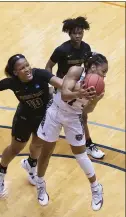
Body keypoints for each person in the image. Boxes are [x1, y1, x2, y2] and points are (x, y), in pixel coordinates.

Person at [0, 54, 62, 196]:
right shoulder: (12, 82)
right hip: (24, 119)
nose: (27, 69)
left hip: (43, 118)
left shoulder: (40, 74)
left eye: (27, 65)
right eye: (22, 68)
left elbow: (60, 83)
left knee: (37, 145)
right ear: (15, 72)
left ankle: (31, 165)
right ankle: (0, 173)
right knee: (15, 149)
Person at [36, 53, 108, 211]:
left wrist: (94, 100)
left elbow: (87, 110)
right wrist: (80, 94)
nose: (104, 75)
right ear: (93, 67)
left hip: (74, 117)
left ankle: (96, 188)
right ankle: (40, 185)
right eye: (103, 71)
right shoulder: (76, 71)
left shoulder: (99, 87)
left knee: (81, 155)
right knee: (46, 152)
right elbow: (65, 94)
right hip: (55, 112)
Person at [45, 16, 105, 159]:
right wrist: (52, 84)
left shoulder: (86, 48)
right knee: (56, 116)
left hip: (78, 86)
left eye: (80, 32)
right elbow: (48, 67)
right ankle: (43, 143)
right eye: (74, 33)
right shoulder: (61, 50)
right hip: (62, 86)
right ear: (69, 33)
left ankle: (88, 144)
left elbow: (88, 68)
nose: (77, 36)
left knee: (82, 116)